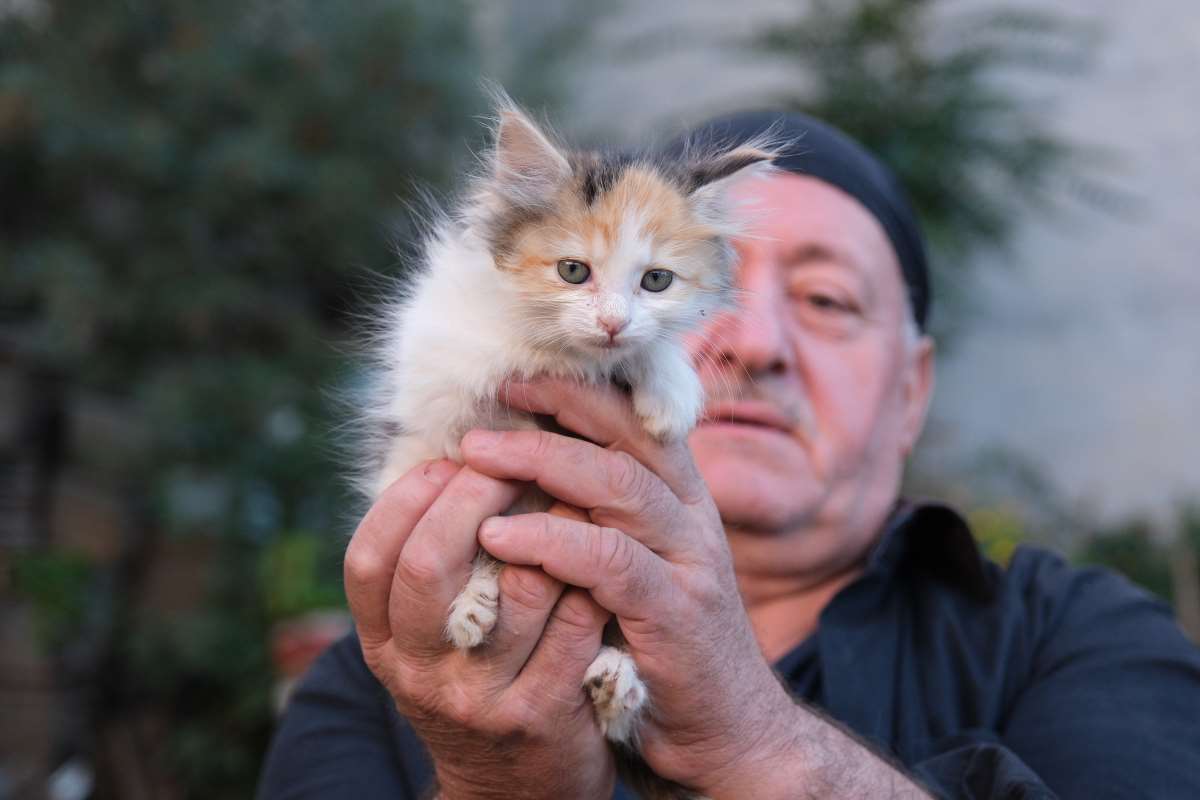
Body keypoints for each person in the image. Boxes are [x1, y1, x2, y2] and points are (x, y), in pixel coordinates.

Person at [258, 112, 1200, 799]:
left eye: (829, 301)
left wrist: (756, 739)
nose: (752, 345)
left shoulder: (1075, 638)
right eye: (737, 307)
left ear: (913, 389)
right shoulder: (385, 681)